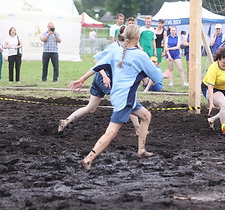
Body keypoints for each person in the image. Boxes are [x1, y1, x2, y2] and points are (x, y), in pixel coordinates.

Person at [71, 24, 163, 171]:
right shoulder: (141, 55)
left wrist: (81, 79)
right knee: (112, 132)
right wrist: (156, 69)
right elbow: (157, 78)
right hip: (125, 98)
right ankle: (88, 159)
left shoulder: (116, 50)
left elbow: (97, 66)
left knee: (146, 116)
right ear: (138, 38)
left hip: (119, 95)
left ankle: (141, 150)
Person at [58, 26, 140, 134]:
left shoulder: (125, 48)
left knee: (90, 108)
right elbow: (96, 60)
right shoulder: (114, 48)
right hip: (105, 80)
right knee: (125, 102)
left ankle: (65, 121)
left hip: (100, 79)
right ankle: (139, 130)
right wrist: (105, 76)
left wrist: (82, 79)